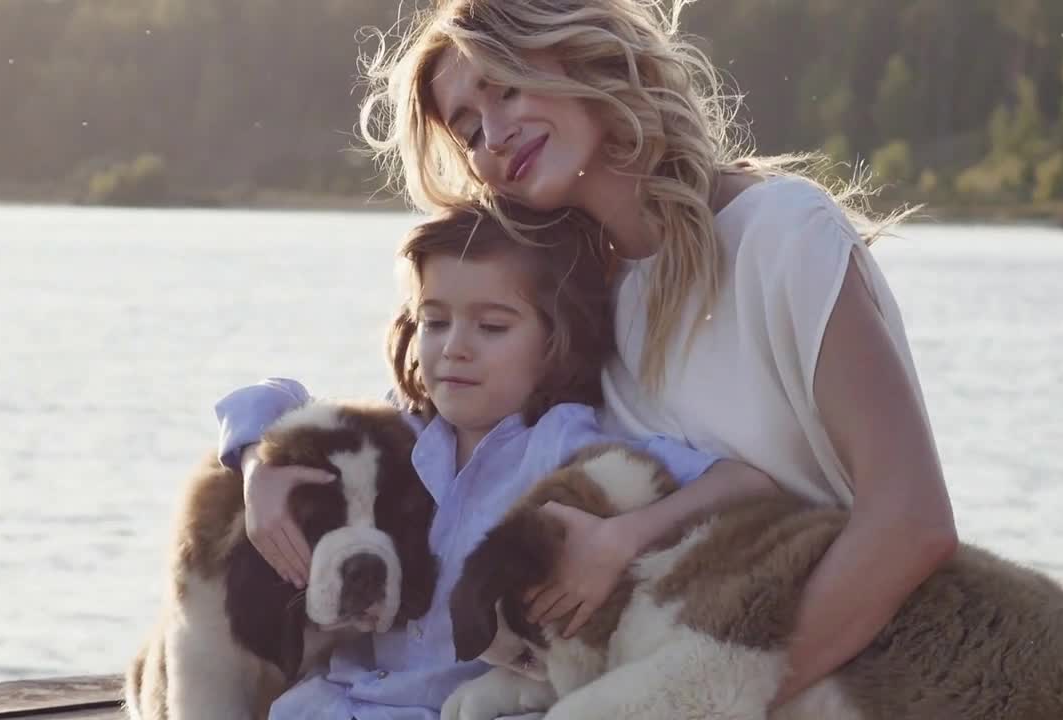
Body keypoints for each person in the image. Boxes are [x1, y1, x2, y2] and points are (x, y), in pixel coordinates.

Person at [226, 0, 959, 710]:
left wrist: (706, 695)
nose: (495, 137)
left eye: (507, 88)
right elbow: (416, 420)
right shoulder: (587, 297)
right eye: (470, 127)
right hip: (671, 669)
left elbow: (912, 521)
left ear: (584, 53)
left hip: (846, 669)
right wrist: (261, 463)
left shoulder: (783, 233)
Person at [222, 204, 777, 719]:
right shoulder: (399, 431)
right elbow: (266, 396)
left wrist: (625, 537)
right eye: (435, 322)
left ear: (554, 340)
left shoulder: (565, 445)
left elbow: (746, 483)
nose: (455, 347)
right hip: (335, 700)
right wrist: (257, 470)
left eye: (492, 327)